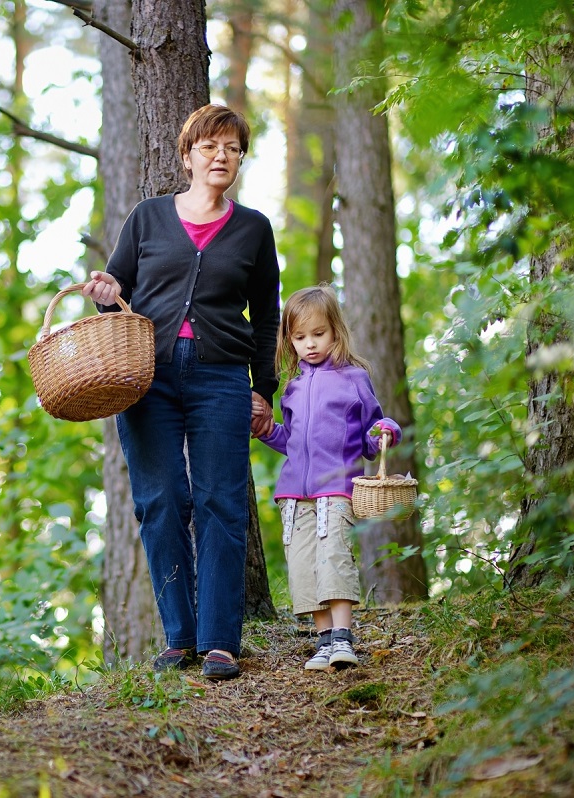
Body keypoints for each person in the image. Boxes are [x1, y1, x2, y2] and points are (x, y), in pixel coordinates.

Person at [82, 104, 281, 681]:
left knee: (221, 501)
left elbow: (267, 316)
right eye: (210, 147)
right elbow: (113, 290)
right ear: (188, 155)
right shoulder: (147, 218)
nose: (222, 157)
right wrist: (104, 287)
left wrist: (262, 389)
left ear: (241, 159)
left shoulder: (253, 229)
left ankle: (221, 640)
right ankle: (179, 637)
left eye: (233, 149)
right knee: (161, 500)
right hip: (147, 376)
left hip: (222, 377)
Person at [256, 285, 400, 671]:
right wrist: (269, 431)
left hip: (337, 489)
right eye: (300, 338)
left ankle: (343, 637)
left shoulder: (354, 378)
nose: (310, 344)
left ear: (335, 330)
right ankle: (322, 640)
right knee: (303, 565)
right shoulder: (293, 386)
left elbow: (373, 433)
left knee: (334, 558)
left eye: (318, 334)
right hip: (293, 494)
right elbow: (293, 441)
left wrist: (386, 430)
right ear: (290, 339)